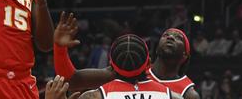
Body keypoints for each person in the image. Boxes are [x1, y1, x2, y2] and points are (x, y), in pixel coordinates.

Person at [53, 12, 200, 99]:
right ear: (148, 60)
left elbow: (69, 81)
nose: (170, 37)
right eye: (166, 34)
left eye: (178, 37)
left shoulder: (189, 93)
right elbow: (72, 80)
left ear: (185, 55)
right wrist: (59, 48)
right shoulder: (129, 65)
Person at [75, 34, 184, 99]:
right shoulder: (173, 97)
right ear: (148, 63)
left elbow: (71, 78)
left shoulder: (93, 96)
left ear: (111, 64)